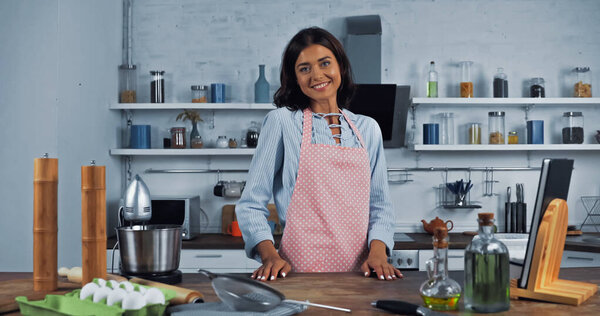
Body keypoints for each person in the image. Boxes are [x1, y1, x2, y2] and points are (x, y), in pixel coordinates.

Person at [235, 26, 400, 282]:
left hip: (362, 277)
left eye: (325, 63)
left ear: (340, 67)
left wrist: (379, 253)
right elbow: (251, 205)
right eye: (304, 69)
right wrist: (269, 256)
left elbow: (380, 206)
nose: (317, 75)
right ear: (294, 78)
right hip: (298, 275)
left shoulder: (368, 129)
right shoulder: (282, 123)